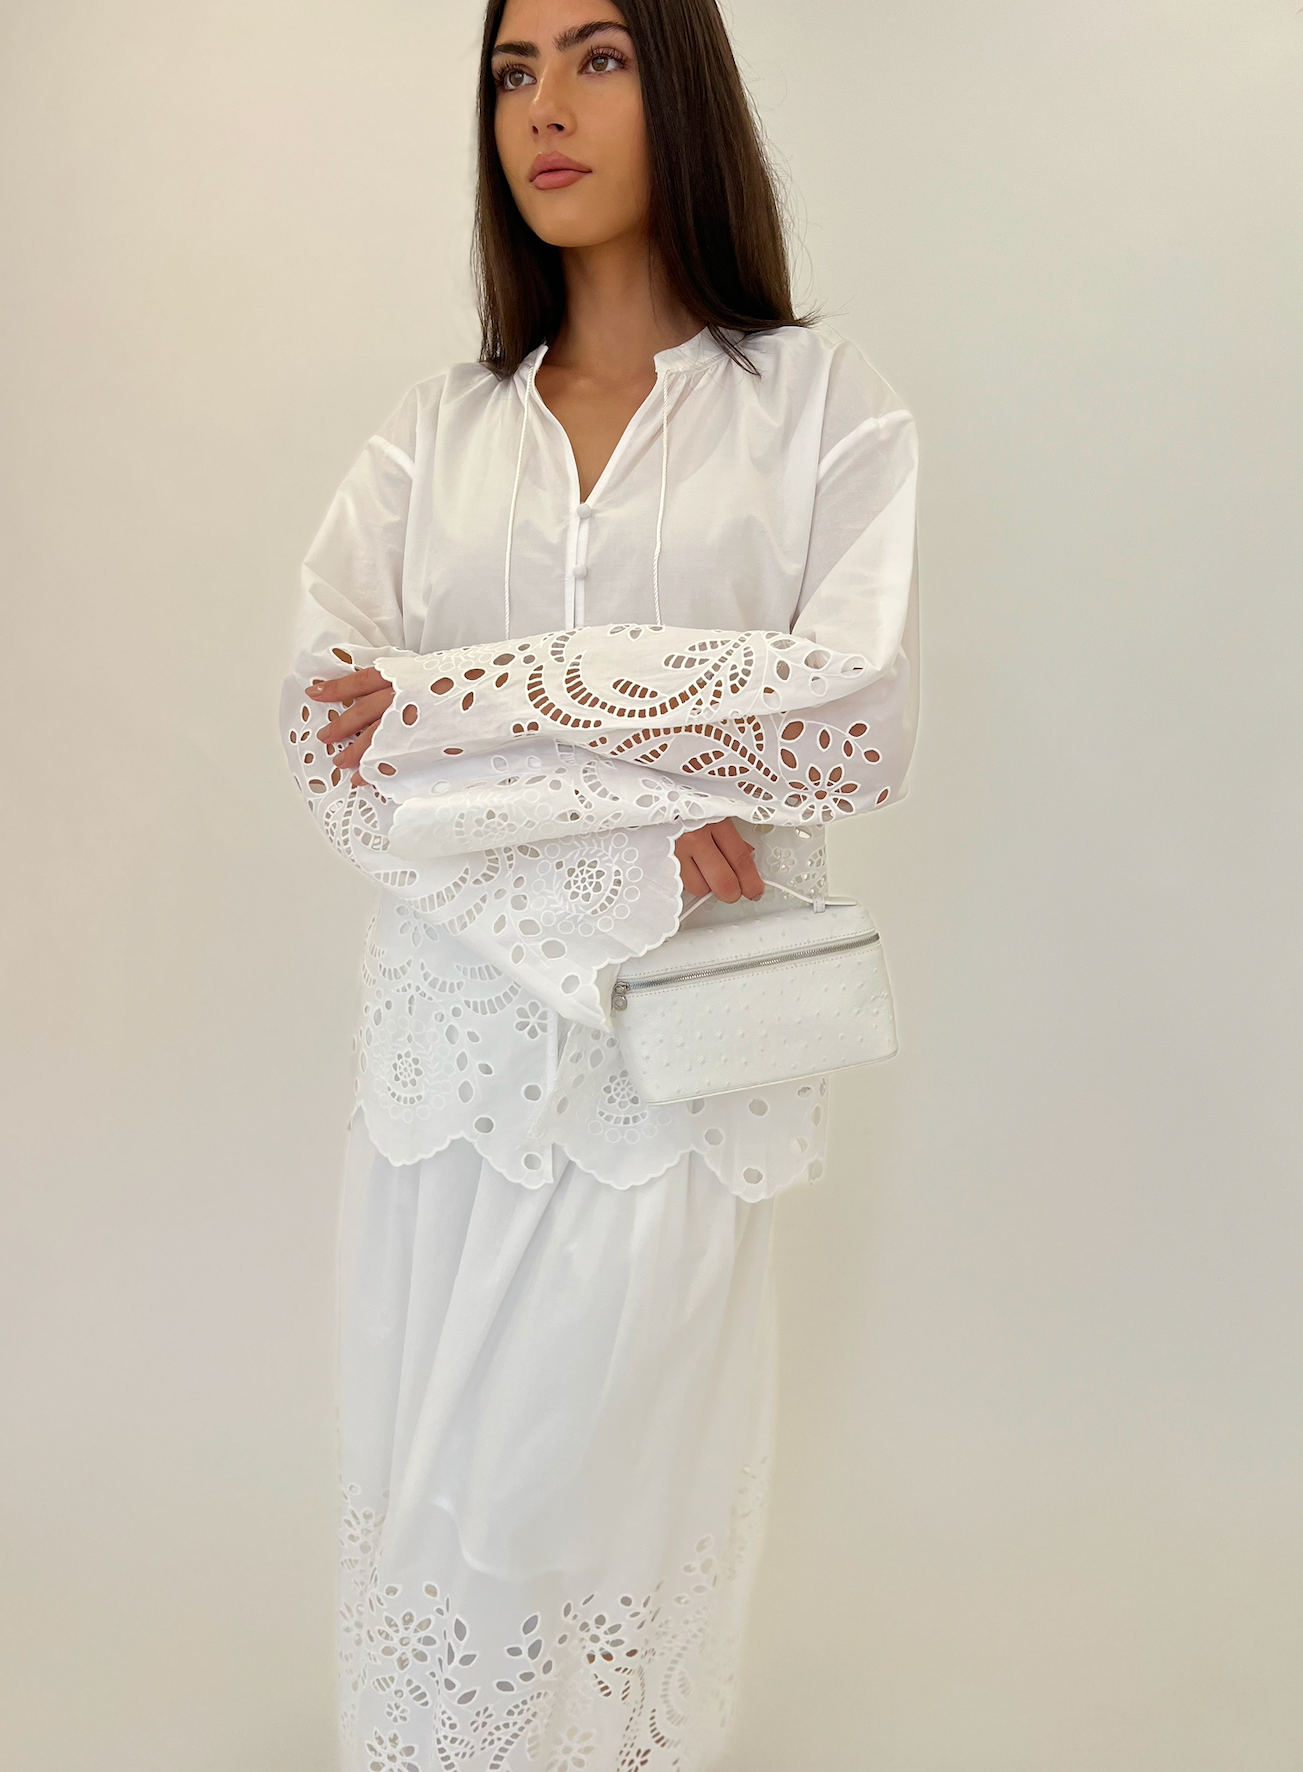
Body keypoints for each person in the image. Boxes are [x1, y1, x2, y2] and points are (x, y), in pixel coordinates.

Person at [280, 0, 920, 1765]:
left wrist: (465, 704)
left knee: (600, 1485)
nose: (543, 106)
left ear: (682, 86)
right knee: (435, 1488)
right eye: (512, 71)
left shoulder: (820, 415)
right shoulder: (430, 439)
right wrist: (640, 799)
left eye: (598, 57)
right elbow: (332, 737)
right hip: (452, 1063)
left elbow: (850, 717)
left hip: (675, 1061)